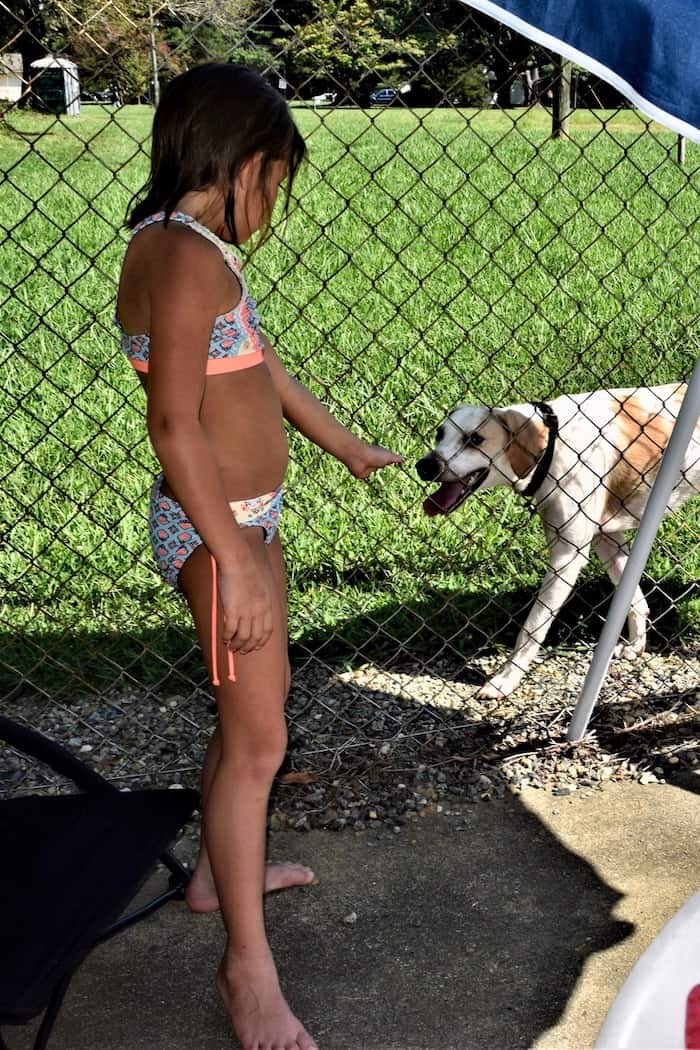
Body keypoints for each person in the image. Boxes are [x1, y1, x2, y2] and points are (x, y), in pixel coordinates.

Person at [115, 62, 401, 1050]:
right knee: (261, 747)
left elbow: (263, 366)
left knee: (253, 724)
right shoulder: (183, 258)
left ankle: (212, 874)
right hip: (215, 530)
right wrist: (232, 557)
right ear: (238, 160)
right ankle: (248, 970)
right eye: (273, 178)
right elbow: (173, 425)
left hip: (244, 523)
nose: (273, 201)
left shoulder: (188, 247)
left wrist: (343, 444)